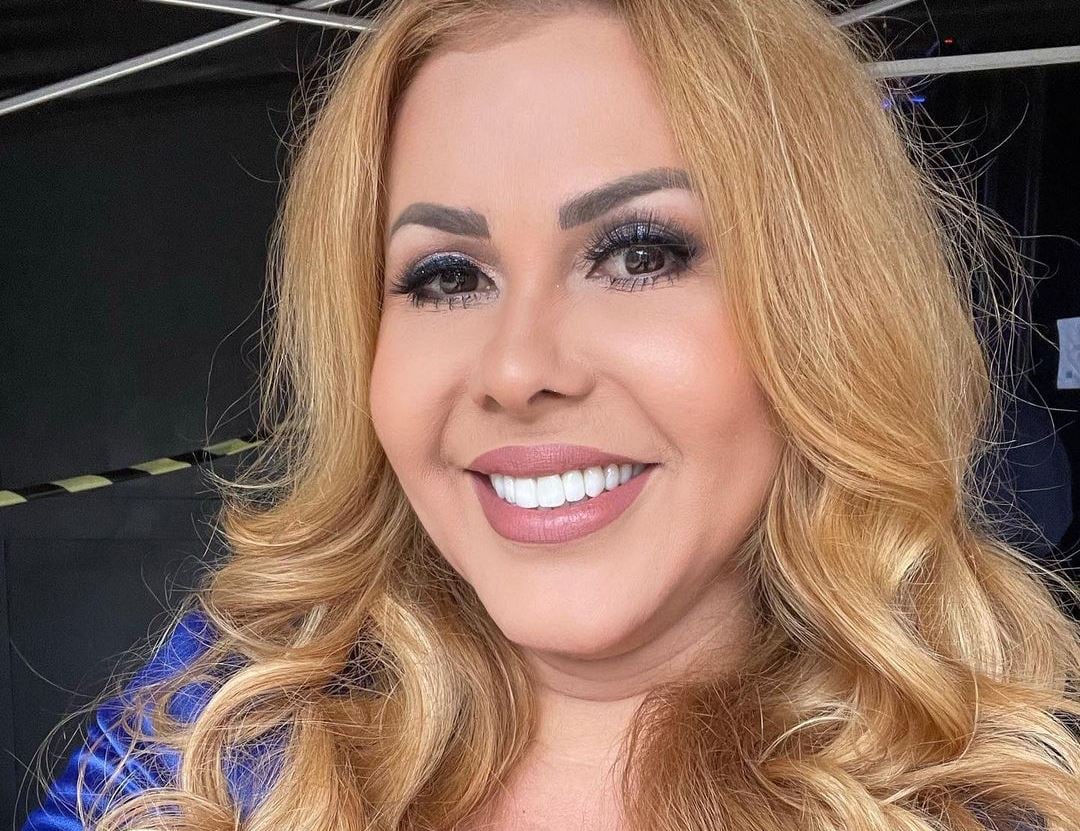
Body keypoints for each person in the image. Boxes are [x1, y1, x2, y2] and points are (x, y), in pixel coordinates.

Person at [21, 0, 1080, 829]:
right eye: (445, 276)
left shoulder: (1007, 792)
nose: (518, 367)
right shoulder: (217, 728)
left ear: (823, 310)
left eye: (639, 254)